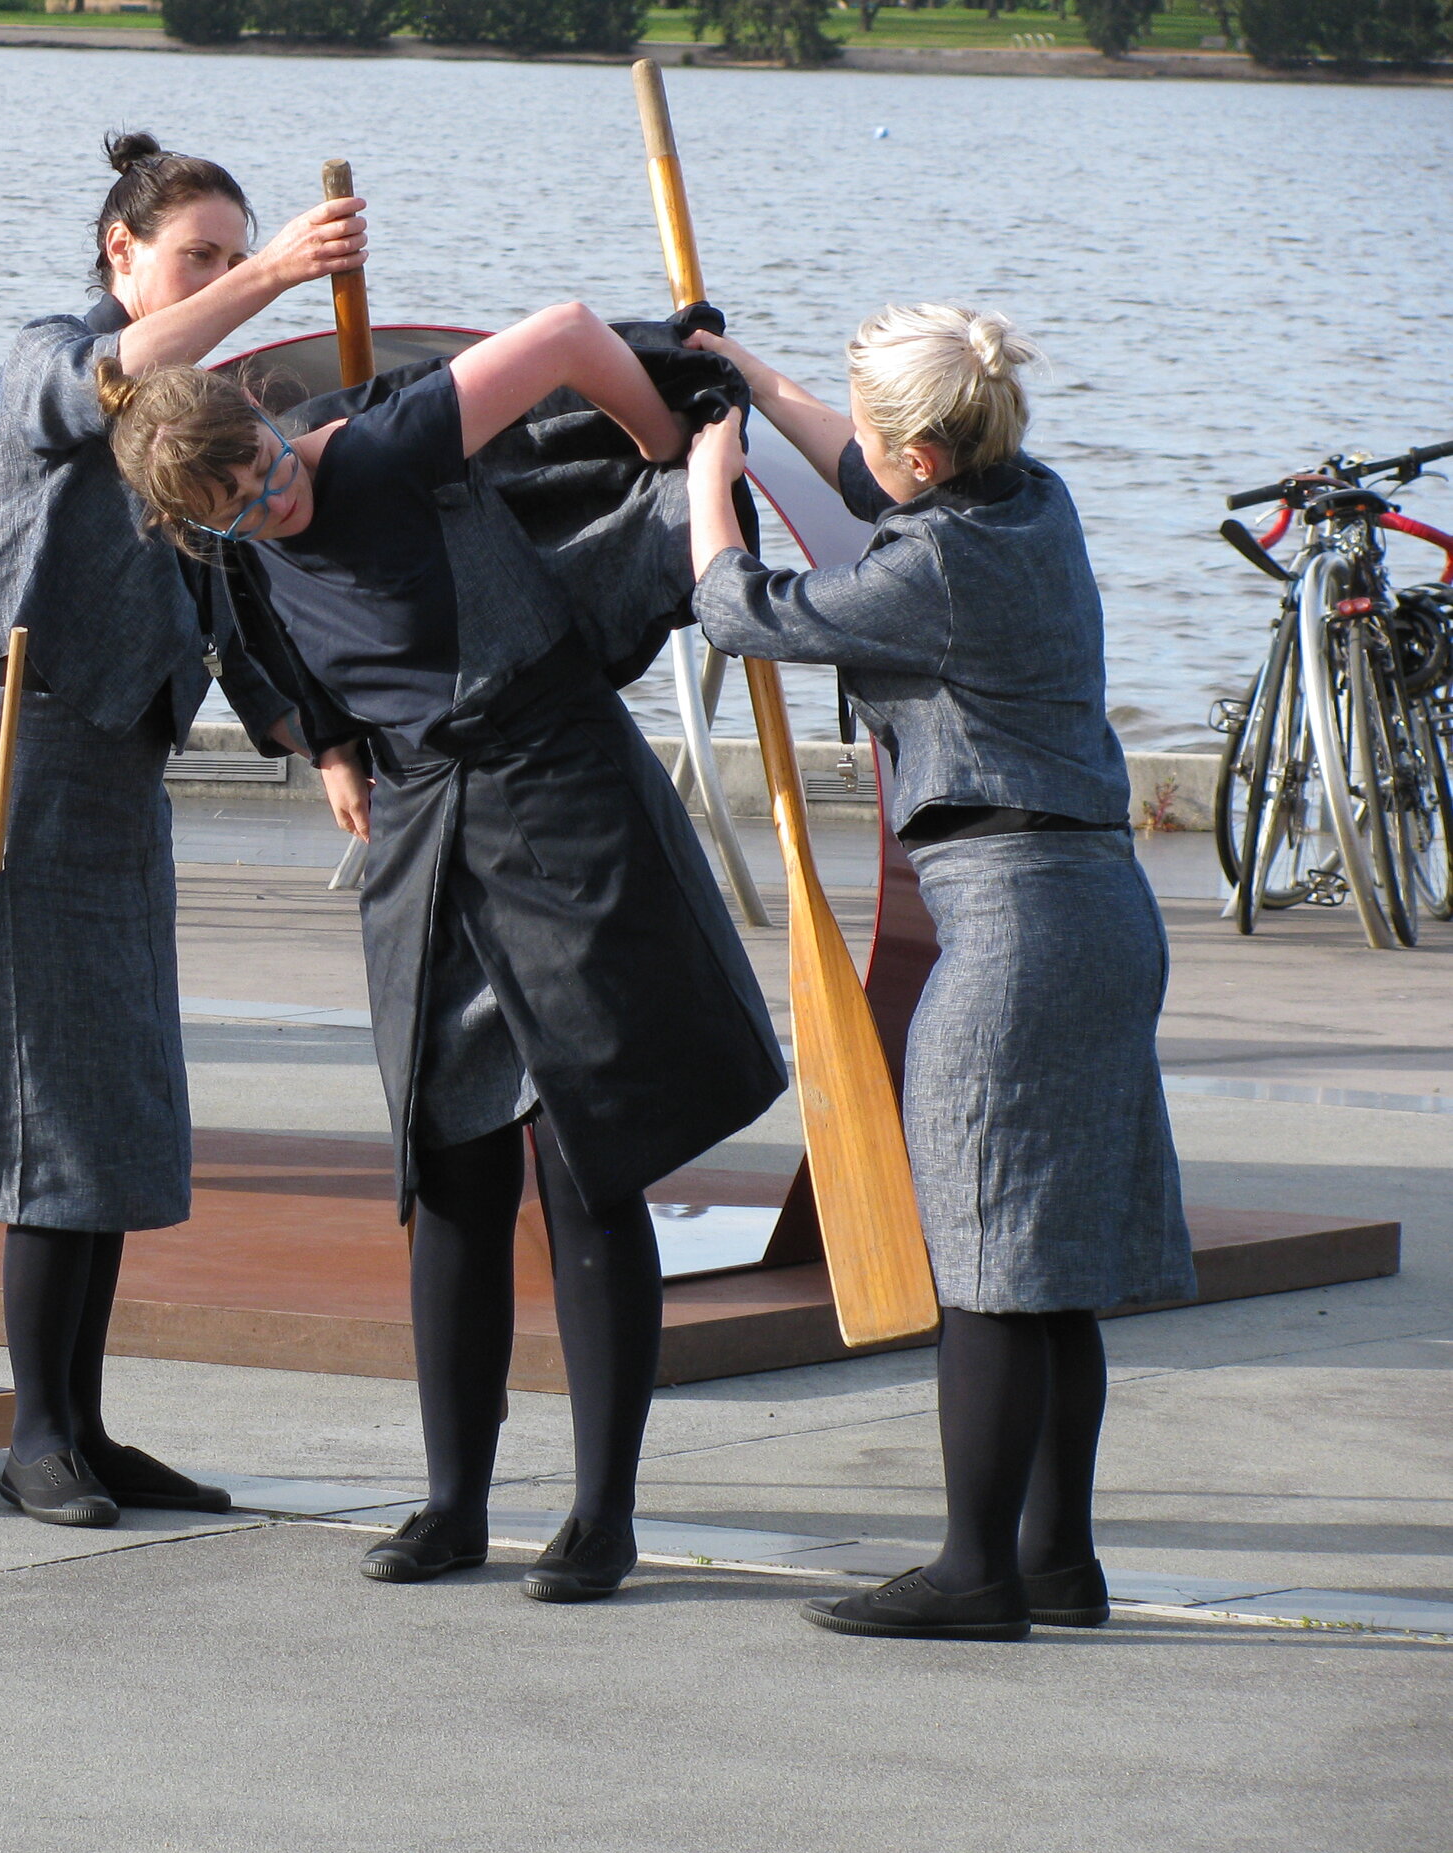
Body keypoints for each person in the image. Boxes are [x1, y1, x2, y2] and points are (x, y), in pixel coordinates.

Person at [93, 301, 788, 1599]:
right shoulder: (228, 546)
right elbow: (273, 646)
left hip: (557, 779)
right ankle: (454, 1500)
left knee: (588, 1156)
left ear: (268, 422)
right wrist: (339, 752)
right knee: (450, 1166)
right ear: (199, 518)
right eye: (243, 503)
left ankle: (603, 1513)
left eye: (273, 464)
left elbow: (575, 333)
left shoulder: (381, 441)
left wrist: (661, 455)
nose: (276, 498)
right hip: (422, 824)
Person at [684, 304, 1193, 1641]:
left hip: (1016, 920)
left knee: (981, 1254)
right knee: (1050, 1258)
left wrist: (706, 491)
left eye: (868, 427)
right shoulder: (1036, 498)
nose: (851, 443)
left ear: (920, 449)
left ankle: (976, 1571)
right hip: (1099, 907)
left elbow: (743, 614)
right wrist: (751, 377)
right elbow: (866, 472)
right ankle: (1056, 1558)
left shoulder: (937, 575)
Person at [0, 133, 366, 1529]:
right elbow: (102, 383)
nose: (226, 279)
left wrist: (328, 736)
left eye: (238, 258)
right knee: (47, 1105)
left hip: (117, 777)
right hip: (18, 765)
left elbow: (230, 606)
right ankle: (36, 1432)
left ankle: (87, 1426)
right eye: (201, 258)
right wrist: (287, 268)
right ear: (122, 256)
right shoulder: (59, 354)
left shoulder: (201, 413)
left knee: (109, 1105)